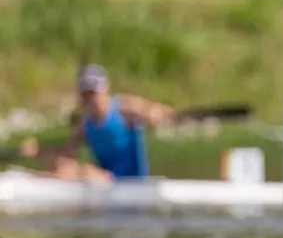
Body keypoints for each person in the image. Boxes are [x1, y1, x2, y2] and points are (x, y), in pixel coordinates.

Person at [20, 65, 176, 183]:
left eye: (94, 92)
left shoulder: (124, 108)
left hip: (132, 181)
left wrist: (156, 115)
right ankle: (35, 183)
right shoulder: (85, 124)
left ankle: (38, 182)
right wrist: (39, 152)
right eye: (87, 94)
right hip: (106, 181)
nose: (92, 99)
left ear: (105, 88)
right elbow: (66, 152)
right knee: (62, 165)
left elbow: (159, 111)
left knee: (81, 171)